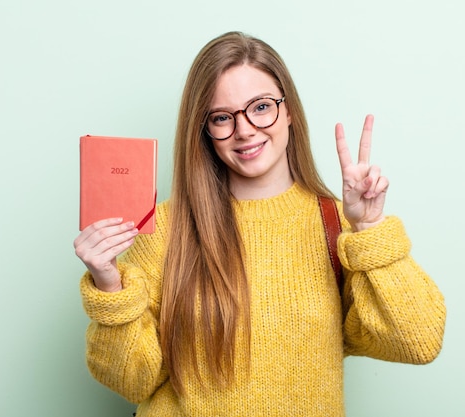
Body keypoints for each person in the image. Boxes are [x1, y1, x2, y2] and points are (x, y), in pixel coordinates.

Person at [74, 31, 446, 417]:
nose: (245, 129)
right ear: (204, 131)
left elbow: (417, 341)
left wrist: (369, 228)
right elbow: (132, 381)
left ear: (288, 111)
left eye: (261, 107)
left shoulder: (337, 224)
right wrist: (110, 286)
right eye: (222, 117)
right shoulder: (168, 228)